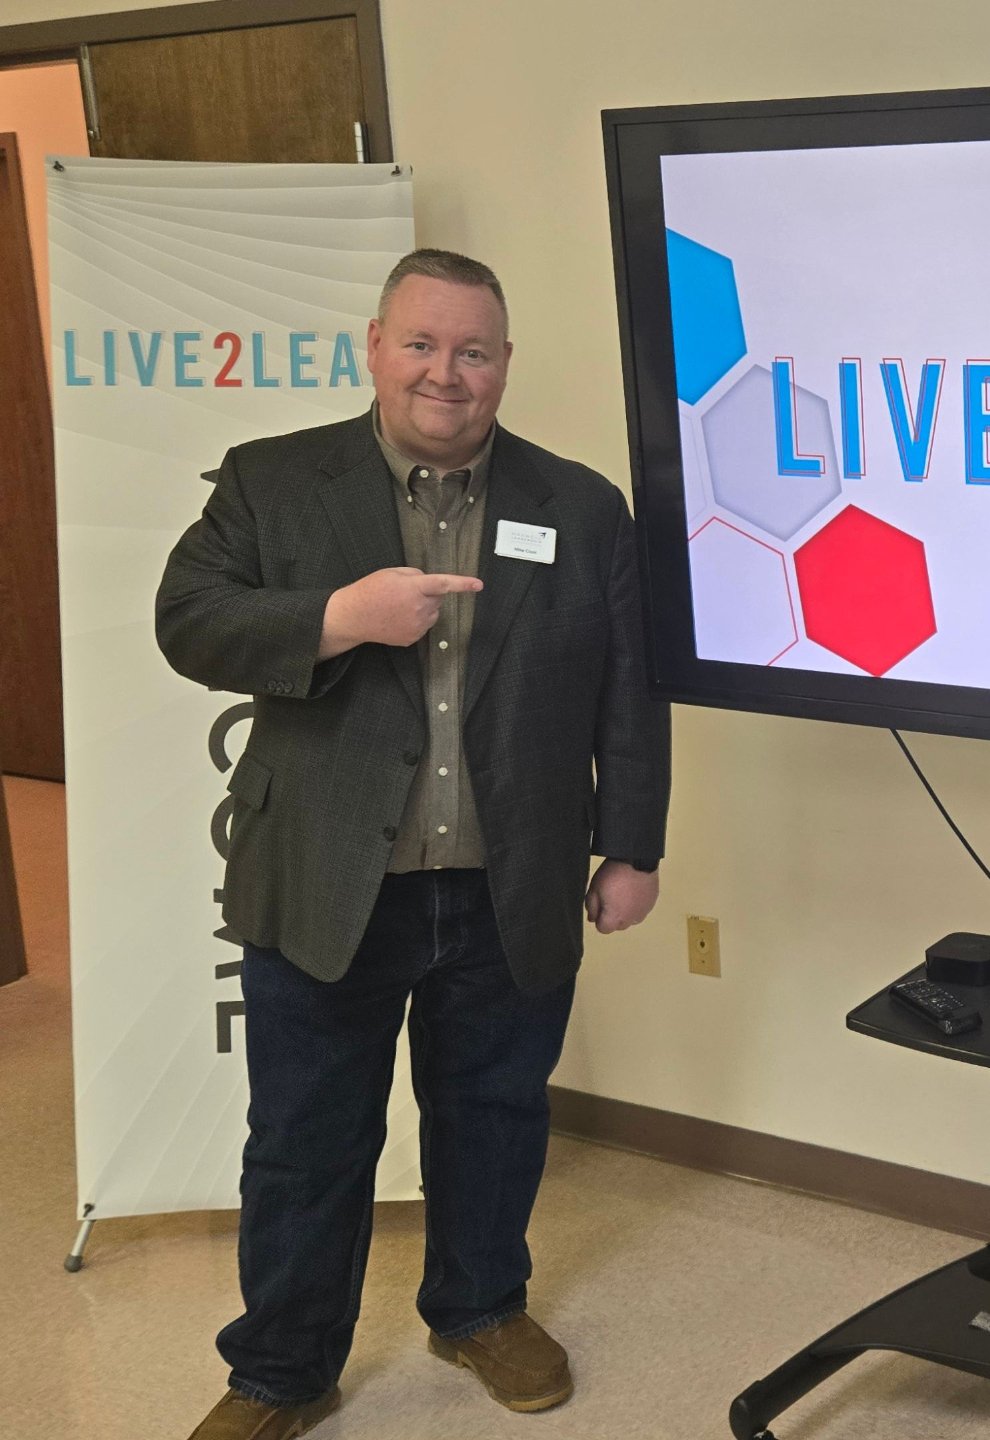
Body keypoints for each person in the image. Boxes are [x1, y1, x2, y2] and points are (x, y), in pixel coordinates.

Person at [156, 249, 670, 1439]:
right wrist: (338, 618)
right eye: (423, 344)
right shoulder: (273, 480)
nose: (448, 372)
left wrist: (632, 847)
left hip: (510, 881)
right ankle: (280, 1369)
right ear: (375, 349)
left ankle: (479, 1307)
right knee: (305, 1140)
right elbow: (187, 619)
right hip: (327, 878)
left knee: (496, 1114)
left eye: (473, 351)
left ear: (505, 364)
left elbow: (628, 693)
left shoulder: (581, 506)